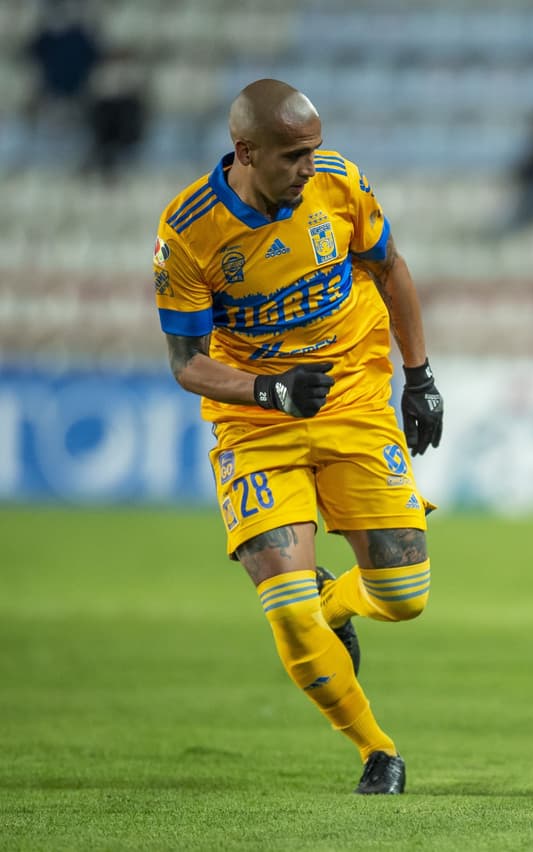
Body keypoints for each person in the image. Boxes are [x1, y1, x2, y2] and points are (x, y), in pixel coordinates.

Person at [152, 79, 444, 795]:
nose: (309, 167)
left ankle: (334, 603)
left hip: (351, 397)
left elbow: (389, 267)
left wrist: (421, 376)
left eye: (313, 150)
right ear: (245, 152)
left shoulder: (339, 184)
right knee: (285, 611)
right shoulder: (189, 232)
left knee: (405, 594)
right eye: (293, 156)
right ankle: (377, 751)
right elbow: (188, 363)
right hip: (256, 423)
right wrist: (266, 390)